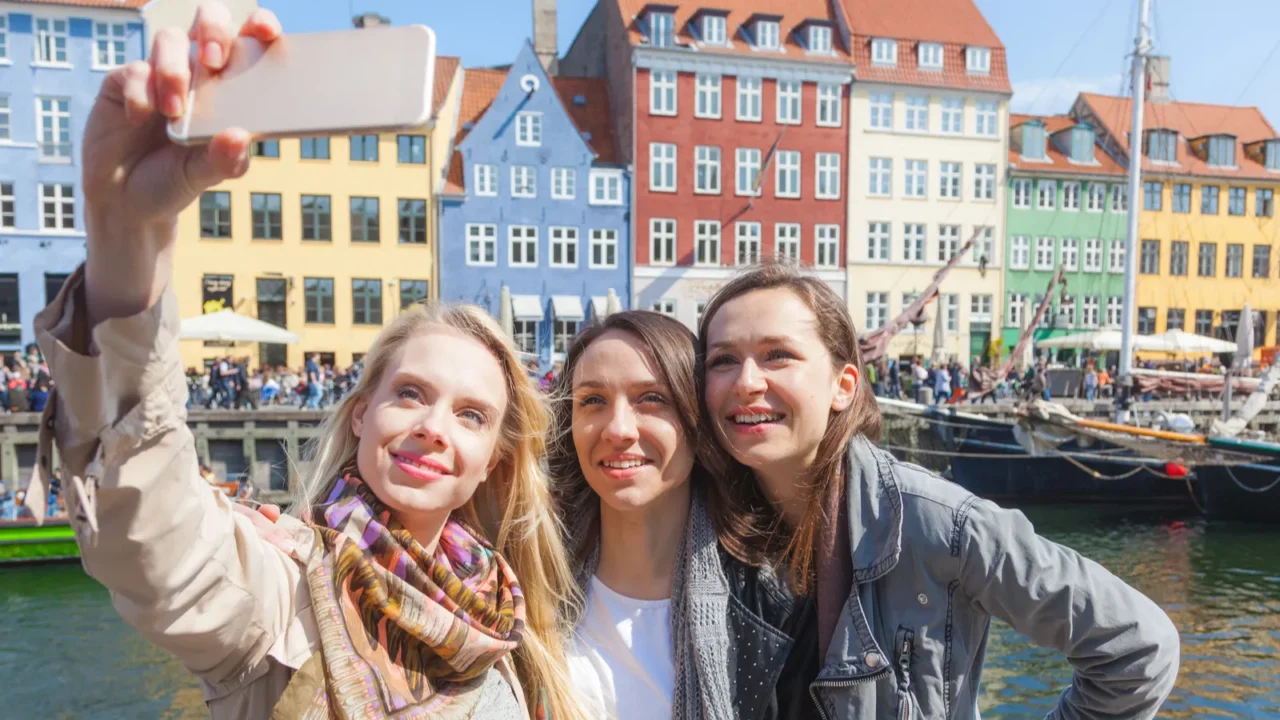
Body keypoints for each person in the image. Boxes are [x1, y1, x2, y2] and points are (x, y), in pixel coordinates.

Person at [21, 7, 586, 719]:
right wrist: (127, 232)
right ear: (363, 415)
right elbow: (152, 525)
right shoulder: (282, 590)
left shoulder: (505, 619)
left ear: (493, 462)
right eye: (410, 393)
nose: (434, 426)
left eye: (471, 414)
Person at [696, 262, 1179, 719]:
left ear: (843, 386)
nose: (746, 382)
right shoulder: (698, 527)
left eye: (778, 355)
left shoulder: (937, 523)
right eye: (723, 360)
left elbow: (1138, 646)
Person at [549, 311, 814, 720]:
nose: (618, 429)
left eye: (652, 399)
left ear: (697, 423)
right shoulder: (531, 579)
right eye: (593, 401)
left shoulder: (775, 604)